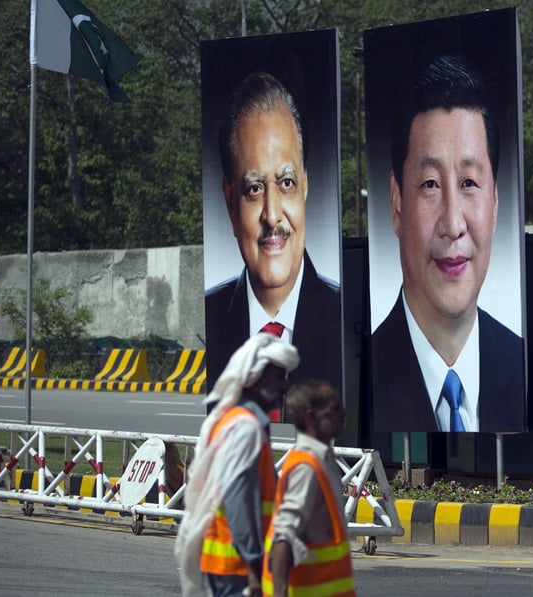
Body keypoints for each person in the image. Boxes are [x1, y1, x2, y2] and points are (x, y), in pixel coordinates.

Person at [371, 54, 524, 433]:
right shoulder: (361, 374)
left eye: (469, 184)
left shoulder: (525, 366)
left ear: (495, 201)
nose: (453, 224)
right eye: (430, 185)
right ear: (396, 202)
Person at [205, 70, 342, 402]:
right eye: (254, 188)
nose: (272, 214)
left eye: (287, 183)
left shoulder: (342, 321)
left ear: (305, 187)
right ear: (230, 202)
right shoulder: (214, 316)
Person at [175, 333, 301, 597]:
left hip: (230, 563)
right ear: (257, 378)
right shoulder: (245, 428)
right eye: (279, 377)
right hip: (237, 568)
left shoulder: (236, 420)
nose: (284, 386)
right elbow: (237, 502)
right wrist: (255, 568)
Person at [263, 380, 356, 596]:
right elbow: (283, 537)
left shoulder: (322, 459)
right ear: (311, 417)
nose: (343, 414)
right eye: (335, 409)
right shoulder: (307, 467)